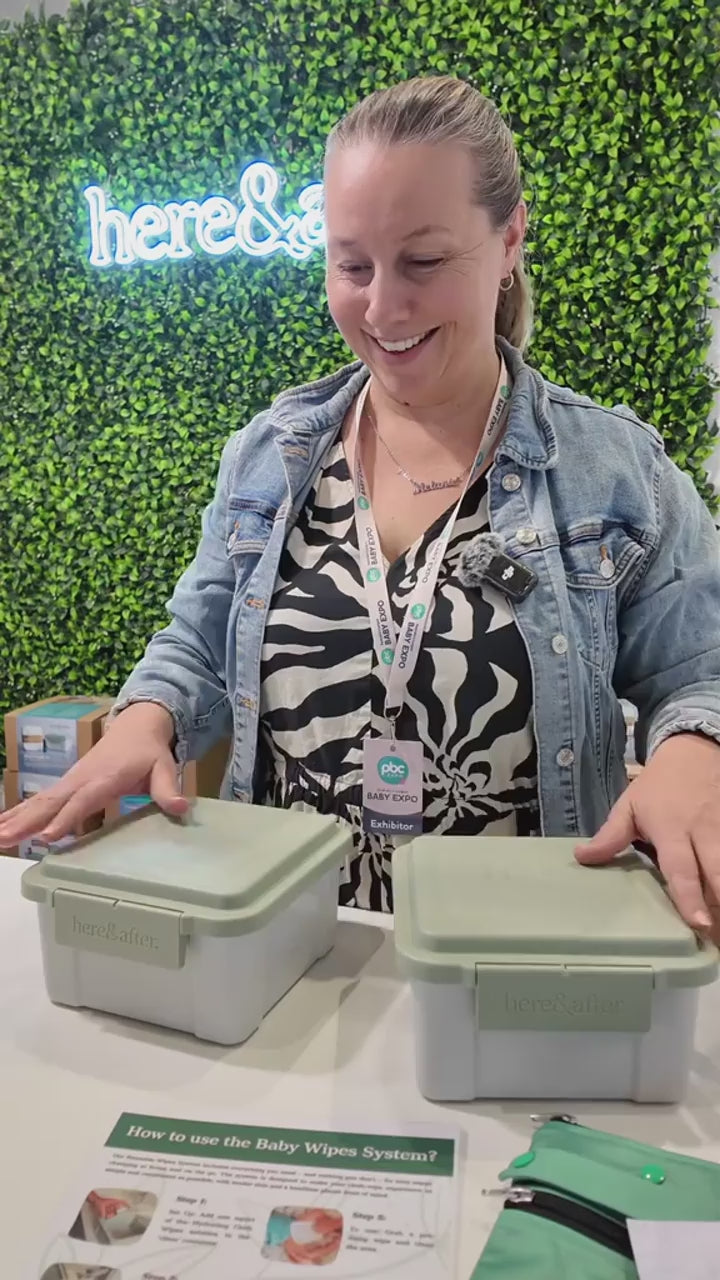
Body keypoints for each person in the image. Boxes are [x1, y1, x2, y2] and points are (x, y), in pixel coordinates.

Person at [2, 76, 719, 926]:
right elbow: (197, 640)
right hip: (289, 952)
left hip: (518, 967)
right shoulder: (270, 458)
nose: (382, 306)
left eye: (423, 261)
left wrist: (693, 752)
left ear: (510, 240)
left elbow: (699, 674)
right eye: (351, 265)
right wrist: (143, 720)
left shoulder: (615, 471)